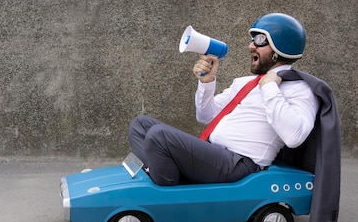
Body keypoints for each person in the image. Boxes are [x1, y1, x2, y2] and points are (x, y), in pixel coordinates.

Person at [128, 13, 319, 186]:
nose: (250, 45)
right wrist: (207, 83)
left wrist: (270, 87)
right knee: (140, 125)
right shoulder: (245, 83)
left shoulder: (299, 90)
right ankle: (161, 170)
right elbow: (205, 116)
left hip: (238, 164)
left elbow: (295, 137)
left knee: (160, 136)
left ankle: (163, 184)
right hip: (213, 153)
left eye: (260, 40)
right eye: (252, 40)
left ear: (280, 47)